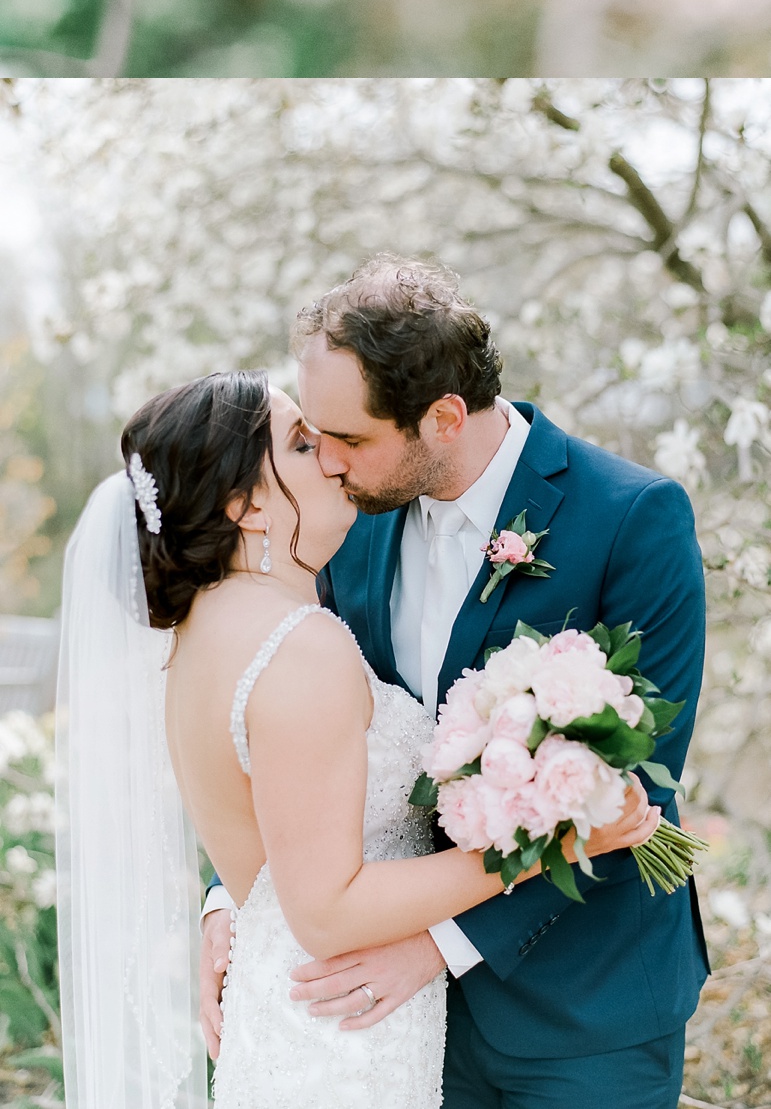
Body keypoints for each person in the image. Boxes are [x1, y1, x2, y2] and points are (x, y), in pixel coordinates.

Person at [55, 366, 654, 1109]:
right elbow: (327, 909)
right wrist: (552, 844)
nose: (334, 457)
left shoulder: (195, 639)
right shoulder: (298, 645)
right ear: (246, 506)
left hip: (295, 1016)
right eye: (302, 445)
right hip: (344, 1027)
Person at [201, 259, 710, 1109]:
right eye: (315, 433)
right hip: (391, 1022)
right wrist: (227, 900)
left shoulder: (632, 517)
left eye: (350, 437)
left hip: (586, 1006)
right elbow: (269, 720)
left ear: (442, 417)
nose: (323, 461)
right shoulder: (341, 523)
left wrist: (438, 943)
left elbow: (631, 778)